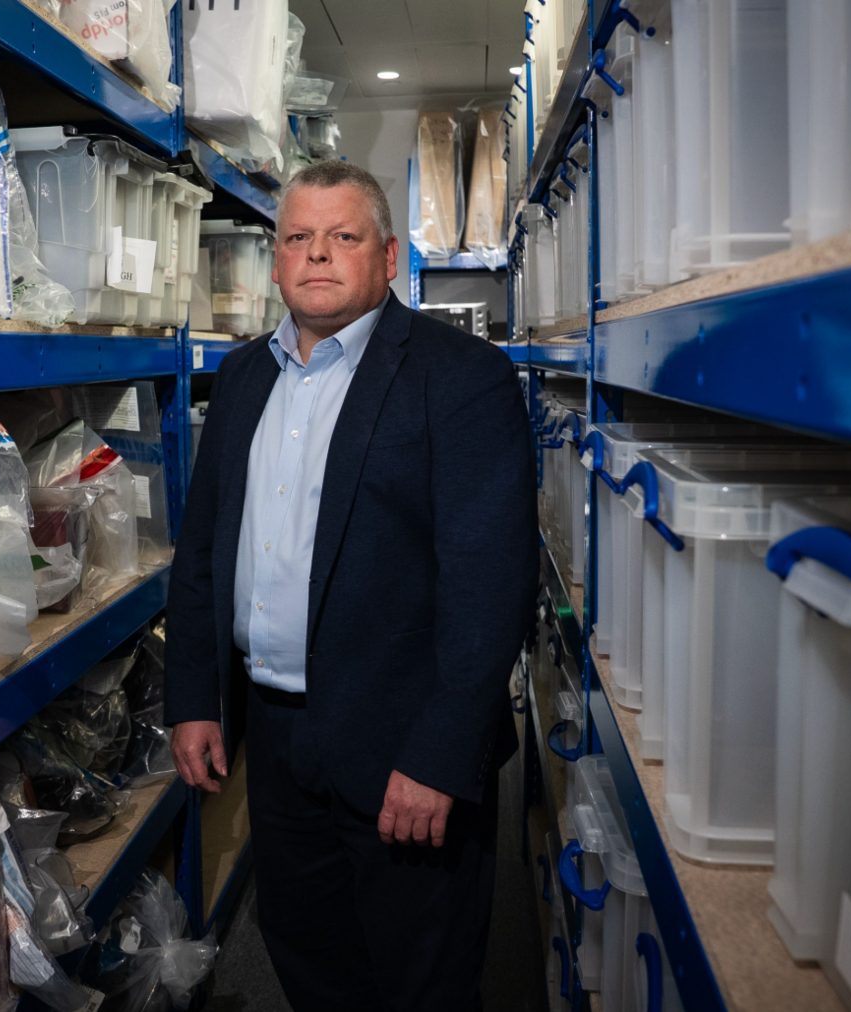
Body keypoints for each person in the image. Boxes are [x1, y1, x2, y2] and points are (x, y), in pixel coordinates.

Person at [163, 160, 538, 1010]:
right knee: (308, 952)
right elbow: (203, 555)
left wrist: (442, 756)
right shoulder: (244, 378)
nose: (318, 255)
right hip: (279, 738)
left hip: (405, 749)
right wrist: (194, 697)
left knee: (421, 976)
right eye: (298, 238)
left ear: (389, 255)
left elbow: (490, 587)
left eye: (343, 236)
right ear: (275, 260)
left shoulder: (461, 377)